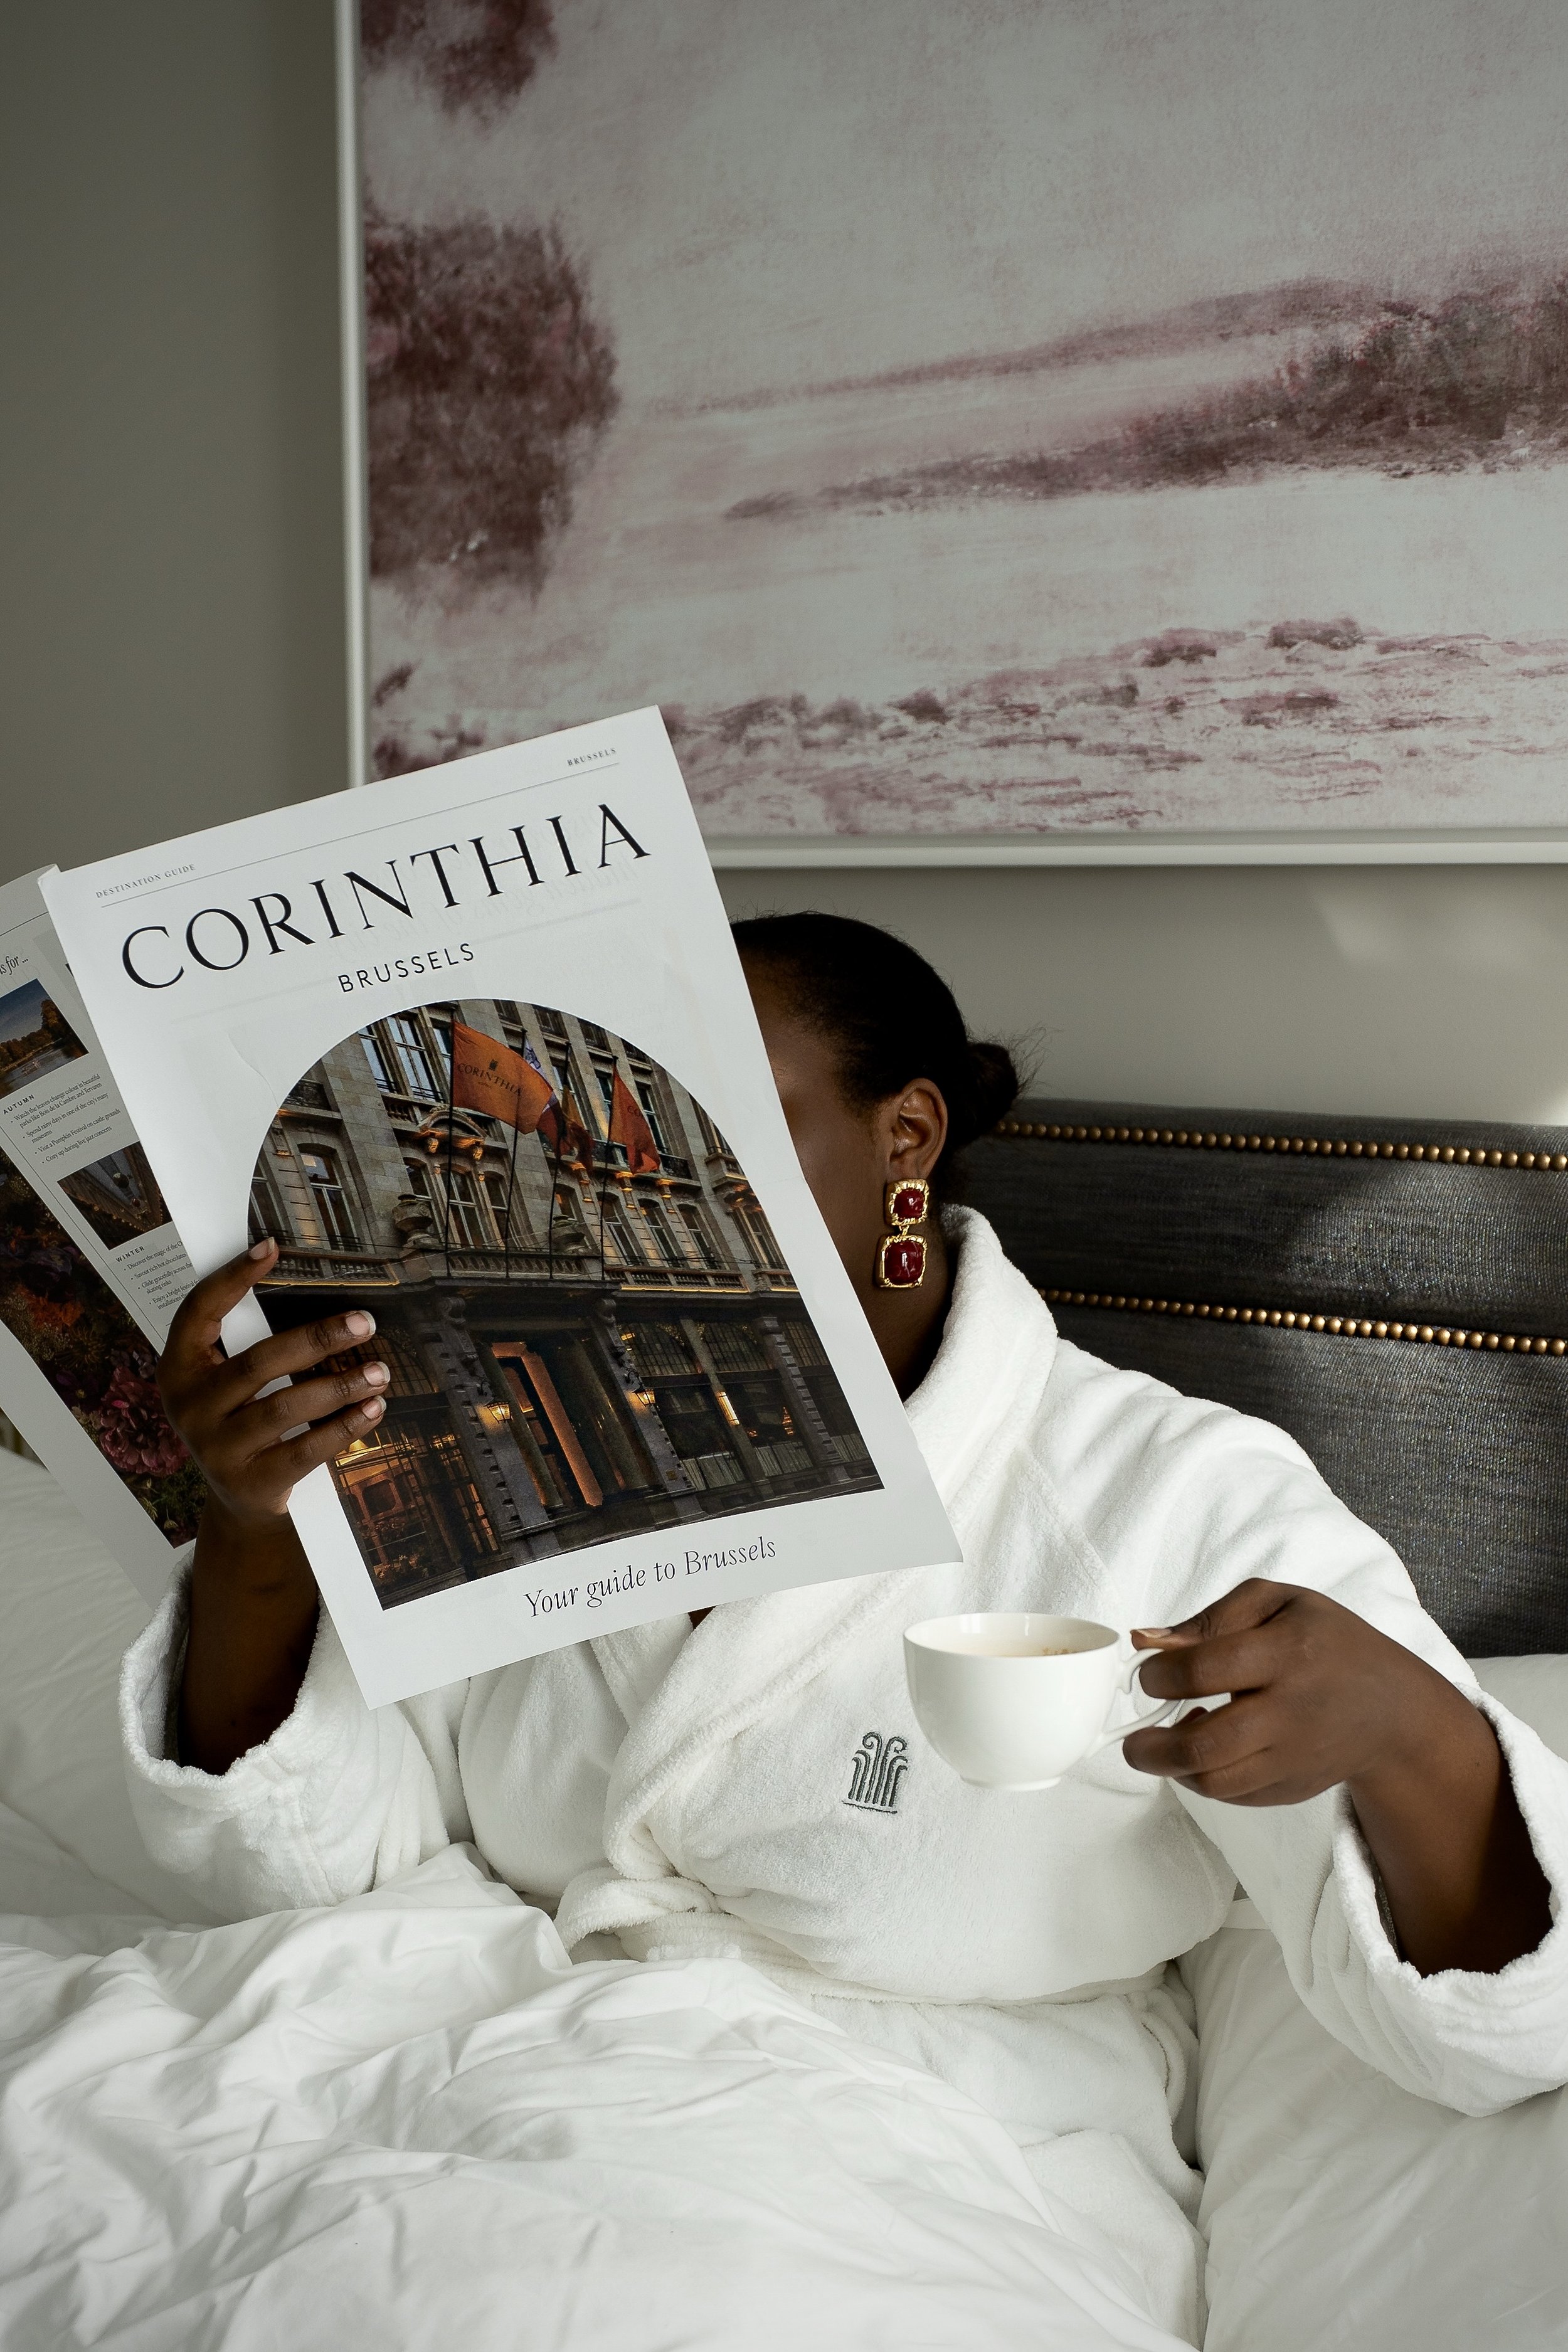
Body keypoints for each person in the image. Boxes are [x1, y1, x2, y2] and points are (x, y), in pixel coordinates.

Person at [126, 913, 1567, 2344]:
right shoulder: (515, 1421)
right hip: (461, 2090)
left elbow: (1500, 2034)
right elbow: (306, 1874)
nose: (639, 1184)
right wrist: (258, 1538)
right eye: (600, 1142)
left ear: (905, 1137)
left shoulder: (1168, 1493)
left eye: (714, 1125)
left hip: (924, 2173)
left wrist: (1410, 1739)